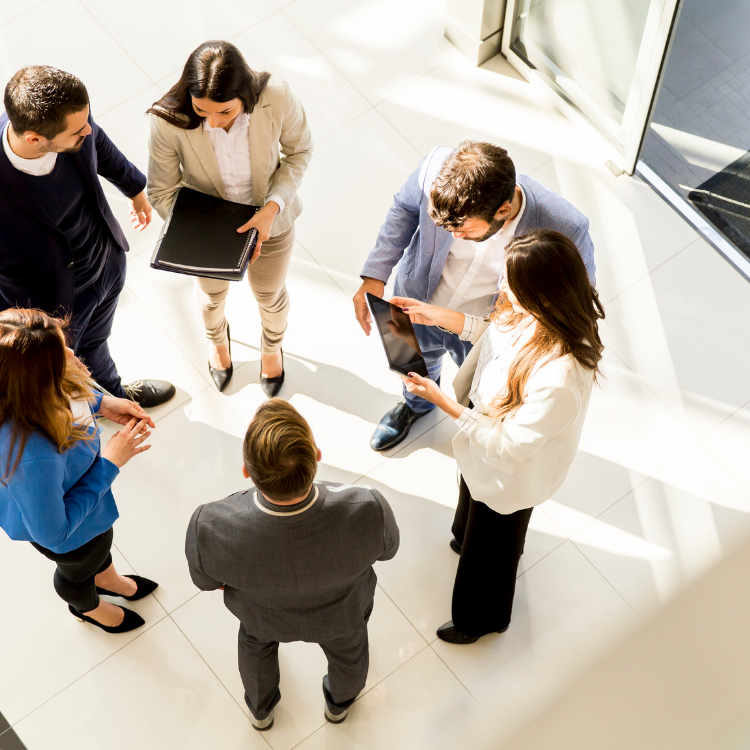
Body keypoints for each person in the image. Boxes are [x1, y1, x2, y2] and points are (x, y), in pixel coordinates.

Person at [393, 229, 604, 644]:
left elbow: (510, 447)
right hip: (482, 432)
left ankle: (482, 619)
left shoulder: (559, 377)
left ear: (541, 294)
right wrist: (436, 315)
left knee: (493, 546)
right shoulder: (534, 313)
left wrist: (443, 402)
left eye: (510, 281)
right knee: (472, 500)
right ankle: (463, 535)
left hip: (511, 467)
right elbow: (495, 332)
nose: (501, 286)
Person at [354, 140, 597, 452]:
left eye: (465, 230)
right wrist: (375, 275)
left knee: (480, 393)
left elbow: (576, 300)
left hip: (484, 332)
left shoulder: (566, 227)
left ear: (503, 210)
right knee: (412, 370)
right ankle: (416, 407)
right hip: (415, 302)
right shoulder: (435, 170)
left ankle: (477, 433)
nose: (455, 237)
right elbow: (404, 208)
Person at [185, 398, 399, 731]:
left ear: (246, 472)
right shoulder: (368, 506)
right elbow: (387, 551)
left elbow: (206, 582)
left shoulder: (210, 525)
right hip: (343, 616)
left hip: (262, 618)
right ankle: (338, 707)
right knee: (350, 659)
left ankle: (261, 711)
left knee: (254, 653)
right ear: (316, 456)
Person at [0, 65, 176, 408]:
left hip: (105, 264)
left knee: (97, 342)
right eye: (78, 132)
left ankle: (111, 394)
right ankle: (75, 413)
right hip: (50, 307)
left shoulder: (74, 126)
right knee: (57, 374)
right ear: (34, 138)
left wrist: (135, 188)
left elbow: (100, 144)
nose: (89, 131)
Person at [147, 40, 313, 395]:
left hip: (271, 221)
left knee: (270, 295)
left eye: (224, 111)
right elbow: (161, 191)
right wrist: (209, 233)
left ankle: (272, 348)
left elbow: (300, 151)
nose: (213, 122)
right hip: (208, 228)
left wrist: (273, 208)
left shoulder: (277, 97)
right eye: (201, 111)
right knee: (210, 298)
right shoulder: (167, 121)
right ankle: (217, 342)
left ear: (245, 95)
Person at [0, 309, 160, 634]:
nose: (72, 354)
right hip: (71, 534)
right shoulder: (29, 458)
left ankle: (108, 578)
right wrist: (110, 464)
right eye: (61, 355)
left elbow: (68, 395)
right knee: (78, 570)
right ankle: (88, 608)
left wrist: (102, 403)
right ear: (36, 381)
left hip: (85, 500)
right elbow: (56, 534)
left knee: (102, 545)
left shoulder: (35, 388)